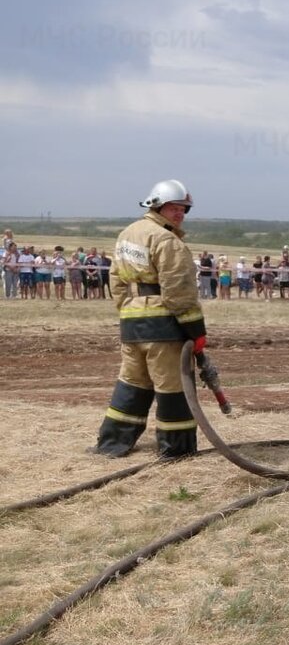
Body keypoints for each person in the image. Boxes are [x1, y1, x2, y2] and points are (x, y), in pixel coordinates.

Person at [94, 179, 206, 458]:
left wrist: (128, 309)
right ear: (157, 207)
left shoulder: (127, 234)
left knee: (132, 383)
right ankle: (176, 449)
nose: (180, 213)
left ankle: (113, 443)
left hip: (132, 324)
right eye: (174, 208)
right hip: (164, 327)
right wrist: (196, 330)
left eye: (184, 209)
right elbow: (179, 289)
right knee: (172, 386)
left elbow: (116, 279)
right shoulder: (167, 240)